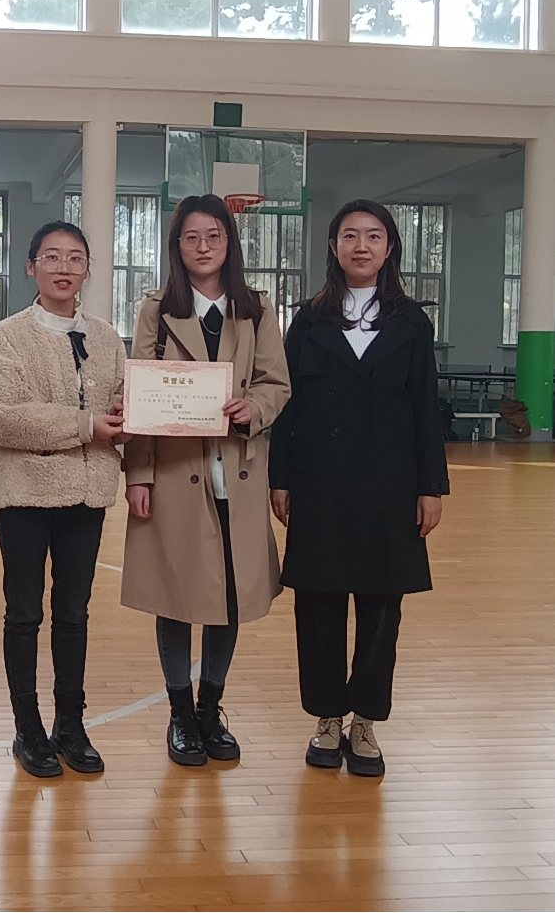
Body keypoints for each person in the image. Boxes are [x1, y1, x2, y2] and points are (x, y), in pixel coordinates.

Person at [269, 198, 449, 778]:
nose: (362, 246)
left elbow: (425, 407)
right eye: (350, 235)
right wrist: (280, 478)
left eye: (374, 236)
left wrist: (430, 486)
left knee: (381, 608)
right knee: (318, 606)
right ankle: (327, 717)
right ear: (334, 246)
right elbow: (286, 406)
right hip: (319, 483)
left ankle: (366, 720)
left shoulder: (411, 323)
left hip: (389, 486)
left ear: (389, 248)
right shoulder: (310, 320)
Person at [123, 195, 291, 767]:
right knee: (175, 595)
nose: (202, 246)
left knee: (230, 595)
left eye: (213, 236)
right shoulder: (157, 310)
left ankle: (210, 708)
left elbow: (276, 382)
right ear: (177, 246)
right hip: (175, 474)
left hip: (239, 472)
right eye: (191, 237)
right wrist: (139, 474)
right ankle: (179, 714)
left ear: (229, 243)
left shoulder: (257, 309)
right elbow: (140, 396)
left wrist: (255, 408)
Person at [0, 220, 126, 779]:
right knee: (24, 613)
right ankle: (28, 729)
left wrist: (130, 414)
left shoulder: (107, 338)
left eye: (76, 258)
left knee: (73, 614)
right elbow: (10, 419)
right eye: (52, 257)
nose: (64, 268)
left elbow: (121, 404)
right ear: (31, 267)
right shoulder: (7, 336)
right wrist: (88, 424)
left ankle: (71, 725)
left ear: (87, 269)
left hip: (87, 494)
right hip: (23, 493)